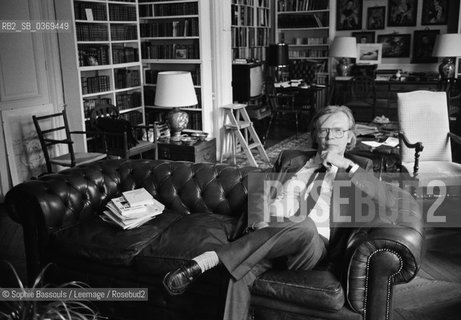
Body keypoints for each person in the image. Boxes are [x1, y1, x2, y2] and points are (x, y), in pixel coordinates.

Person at [163, 106, 396, 320]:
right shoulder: (293, 160)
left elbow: (387, 200)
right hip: (267, 239)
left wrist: (345, 165)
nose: (329, 138)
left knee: (304, 225)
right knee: (237, 275)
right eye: (324, 131)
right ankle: (224, 261)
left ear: (349, 136)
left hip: (309, 246)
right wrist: (259, 224)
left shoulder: (358, 168)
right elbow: (259, 192)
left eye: (337, 131)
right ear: (315, 135)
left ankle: (208, 260)